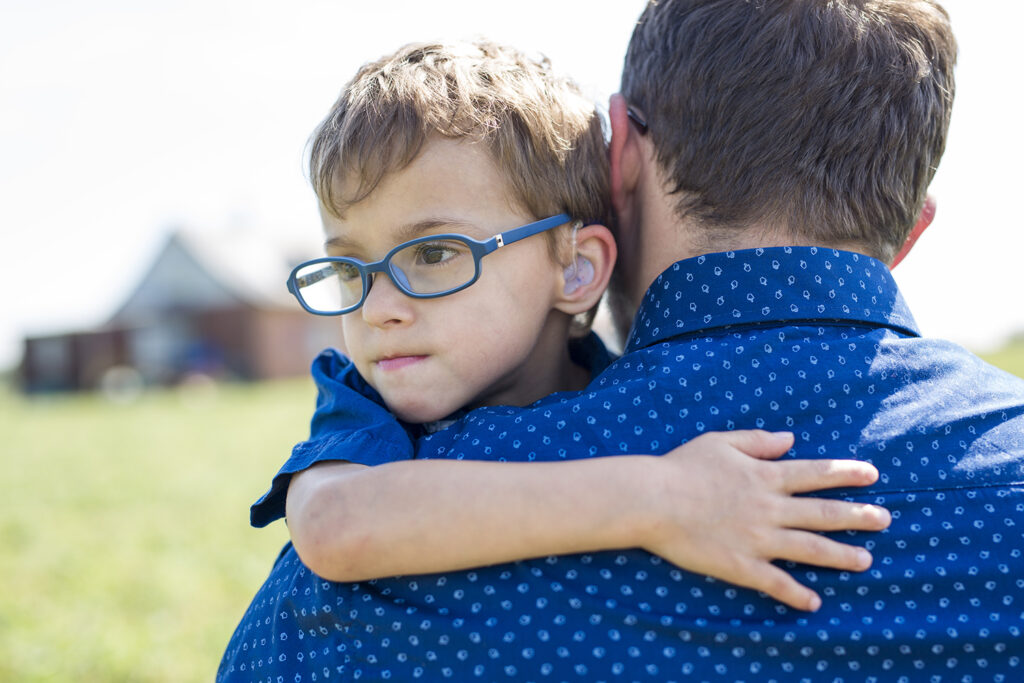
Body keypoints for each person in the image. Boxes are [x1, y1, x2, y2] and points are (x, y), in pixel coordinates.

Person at [218, 36, 896, 681]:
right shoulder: (359, 404)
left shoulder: (629, 392)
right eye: (350, 267)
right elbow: (336, 524)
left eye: (431, 254)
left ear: (575, 268)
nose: (375, 308)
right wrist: (662, 497)